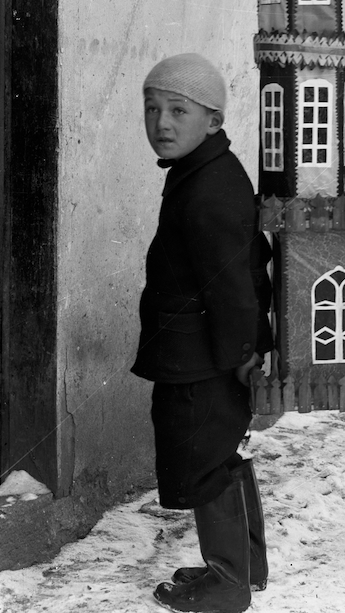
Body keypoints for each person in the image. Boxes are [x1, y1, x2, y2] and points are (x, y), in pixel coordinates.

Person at [132, 54, 273, 613]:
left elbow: (234, 285)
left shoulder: (208, 188)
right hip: (202, 353)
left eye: (178, 110)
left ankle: (227, 584)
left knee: (206, 465)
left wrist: (242, 356)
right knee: (218, 457)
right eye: (152, 109)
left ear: (212, 120)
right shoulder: (203, 171)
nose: (162, 123)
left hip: (202, 359)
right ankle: (244, 567)